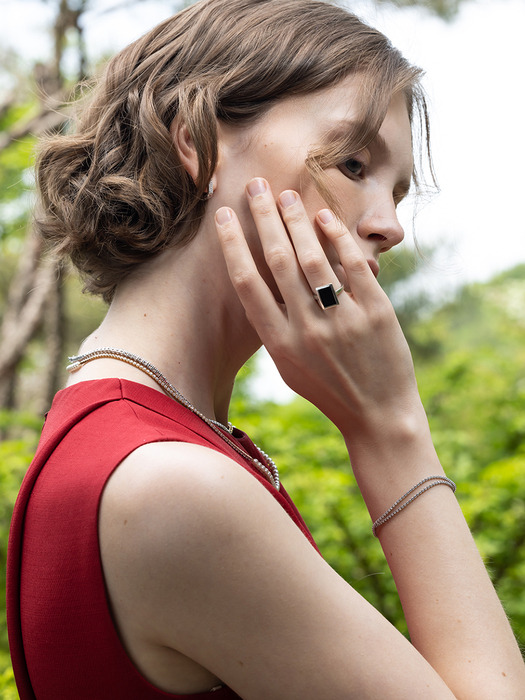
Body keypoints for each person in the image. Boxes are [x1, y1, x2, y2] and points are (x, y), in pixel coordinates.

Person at [6, 0, 525, 697]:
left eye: (398, 193)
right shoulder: (173, 486)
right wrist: (389, 427)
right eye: (351, 162)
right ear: (194, 140)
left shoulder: (136, 439)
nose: (387, 226)